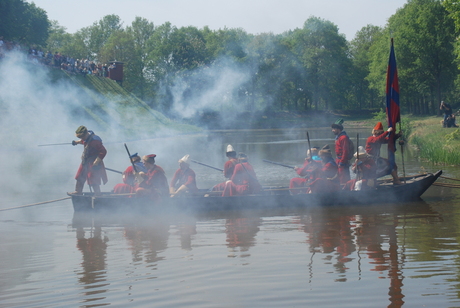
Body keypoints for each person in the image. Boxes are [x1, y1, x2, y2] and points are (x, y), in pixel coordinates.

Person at [70, 126, 107, 195]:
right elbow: (84, 141)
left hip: (93, 162)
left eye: (82, 137)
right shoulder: (86, 138)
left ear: (86, 134)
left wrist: (97, 161)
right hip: (85, 161)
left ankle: (97, 194)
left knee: (93, 179)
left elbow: (103, 151)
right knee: (80, 176)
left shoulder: (95, 141)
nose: (81, 139)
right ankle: (78, 191)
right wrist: (76, 142)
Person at [331, 119, 351, 184]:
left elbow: (345, 151)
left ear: (338, 129)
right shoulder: (338, 138)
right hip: (338, 160)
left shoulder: (343, 138)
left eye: (334, 129)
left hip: (342, 161)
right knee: (339, 177)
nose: (332, 130)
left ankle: (345, 190)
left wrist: (342, 162)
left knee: (343, 178)